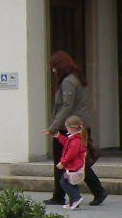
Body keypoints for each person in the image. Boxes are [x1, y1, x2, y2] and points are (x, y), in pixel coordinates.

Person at [46, 50, 107, 206]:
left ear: (60, 66)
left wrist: (53, 127)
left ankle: (63, 195)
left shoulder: (68, 81)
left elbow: (67, 106)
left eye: (54, 67)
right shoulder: (76, 78)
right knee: (77, 161)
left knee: (68, 161)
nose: (53, 70)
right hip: (77, 125)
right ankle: (95, 191)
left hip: (69, 127)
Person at [54, 116, 89, 209]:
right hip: (75, 166)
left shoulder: (75, 140)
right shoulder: (75, 138)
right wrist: (59, 137)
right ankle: (73, 202)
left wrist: (62, 163)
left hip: (74, 166)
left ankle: (76, 198)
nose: (66, 130)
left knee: (64, 182)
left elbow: (71, 154)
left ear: (71, 128)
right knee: (71, 183)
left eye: (67, 128)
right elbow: (67, 143)